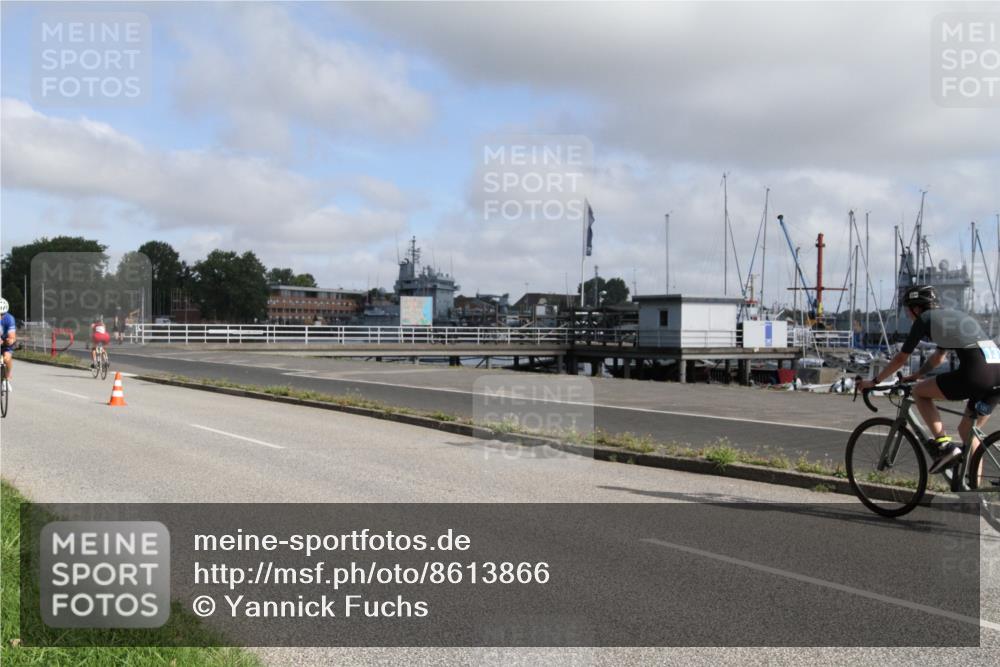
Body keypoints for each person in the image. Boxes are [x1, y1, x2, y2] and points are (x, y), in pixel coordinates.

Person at [858, 285, 1000, 473]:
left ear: (916, 308)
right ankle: (975, 495)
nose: (908, 315)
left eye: (907, 310)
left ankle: (944, 445)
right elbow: (938, 357)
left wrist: (874, 382)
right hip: (996, 376)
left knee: (919, 392)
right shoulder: (950, 318)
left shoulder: (924, 319)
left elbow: (902, 357)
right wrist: (917, 375)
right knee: (968, 433)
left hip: (976, 374)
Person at [0, 297, 15, 391]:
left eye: (2, 314)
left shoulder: (9, 319)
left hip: (5, 342)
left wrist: (11, 340)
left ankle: (5, 380)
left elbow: (12, 335)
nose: (0, 316)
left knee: (7, 358)